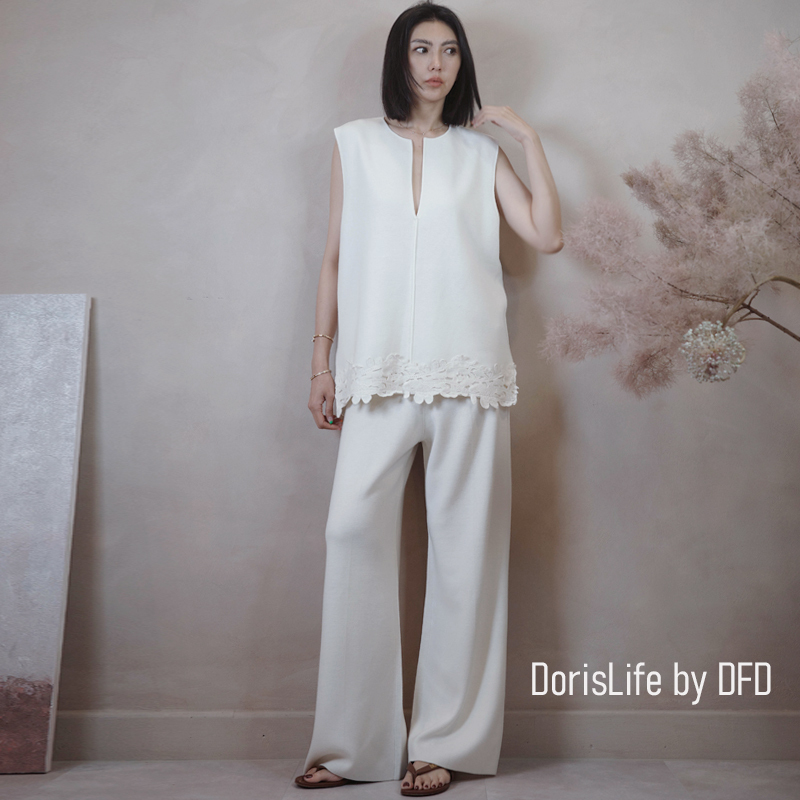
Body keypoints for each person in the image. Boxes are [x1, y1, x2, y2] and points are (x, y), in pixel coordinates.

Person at [297, 2, 562, 795]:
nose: (436, 64)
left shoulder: (481, 155)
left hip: (469, 371)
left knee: (465, 555)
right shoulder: (353, 143)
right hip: (377, 372)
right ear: (400, 59)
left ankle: (442, 744)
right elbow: (334, 256)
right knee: (350, 534)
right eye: (421, 49)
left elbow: (546, 236)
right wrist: (321, 360)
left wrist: (528, 139)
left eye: (449, 50)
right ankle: (351, 747)